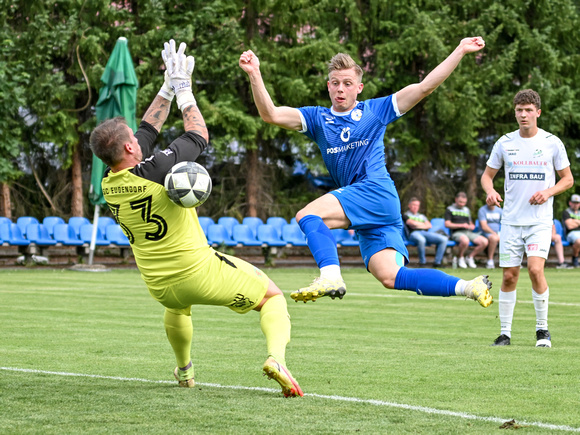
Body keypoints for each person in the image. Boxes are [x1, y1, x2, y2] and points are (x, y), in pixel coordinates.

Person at [89, 40, 302, 397]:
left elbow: (145, 132)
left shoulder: (110, 182)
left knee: (177, 307)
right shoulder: (154, 170)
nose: (137, 140)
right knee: (272, 298)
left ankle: (184, 371)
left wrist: (166, 88)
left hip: (158, 282)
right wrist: (185, 92)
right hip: (197, 271)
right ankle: (276, 358)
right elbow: (198, 135)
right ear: (128, 149)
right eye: (131, 140)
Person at [240, 37, 492, 308]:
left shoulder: (375, 111)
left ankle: (330, 275)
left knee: (308, 215)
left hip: (374, 190)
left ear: (358, 88)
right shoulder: (316, 118)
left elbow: (424, 87)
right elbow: (271, 115)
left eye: (347, 84)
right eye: (335, 83)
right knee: (392, 276)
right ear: (328, 86)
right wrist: (255, 74)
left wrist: (460, 50)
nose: (340, 89)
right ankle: (468, 286)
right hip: (374, 209)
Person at [481, 89, 573, 348]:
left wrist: (547, 191)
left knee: (535, 270)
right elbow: (487, 176)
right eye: (519, 110)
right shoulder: (505, 143)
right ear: (515, 113)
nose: (523, 115)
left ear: (538, 113)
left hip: (539, 221)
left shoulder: (552, 142)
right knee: (509, 276)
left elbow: (568, 179)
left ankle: (542, 330)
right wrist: (490, 191)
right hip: (510, 221)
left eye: (528, 110)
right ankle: (504, 334)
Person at [444, 192, 489, 269]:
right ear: (456, 200)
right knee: (465, 240)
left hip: (468, 232)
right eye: (460, 202)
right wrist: (461, 225)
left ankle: (470, 257)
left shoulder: (466, 210)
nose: (462, 204)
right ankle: (460, 257)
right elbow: (447, 224)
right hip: (456, 232)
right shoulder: (449, 209)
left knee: (484, 242)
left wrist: (471, 225)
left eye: (464, 202)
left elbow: (470, 222)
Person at [403, 197, 448, 267]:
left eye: (417, 205)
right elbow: (410, 223)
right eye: (414, 205)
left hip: (425, 233)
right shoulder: (405, 215)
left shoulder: (422, 216)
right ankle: (422, 262)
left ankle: (437, 262)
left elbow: (429, 225)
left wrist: (417, 225)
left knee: (443, 239)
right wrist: (422, 224)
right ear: (409, 205)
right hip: (413, 233)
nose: (415, 207)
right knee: (421, 240)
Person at [477, 203, 502, 269]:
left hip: (498, 233)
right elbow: (484, 226)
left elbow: (505, 223)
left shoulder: (499, 211)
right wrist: (493, 233)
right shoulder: (482, 210)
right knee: (494, 238)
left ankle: (506, 261)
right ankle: (490, 260)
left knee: (506, 239)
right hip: (485, 233)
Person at [562, 194, 580, 267]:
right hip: (571, 233)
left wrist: (574, 221)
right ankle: (575, 258)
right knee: (579, 241)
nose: (575, 205)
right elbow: (569, 226)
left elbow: (571, 223)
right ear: (570, 203)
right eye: (574, 202)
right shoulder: (566, 212)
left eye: (577, 203)